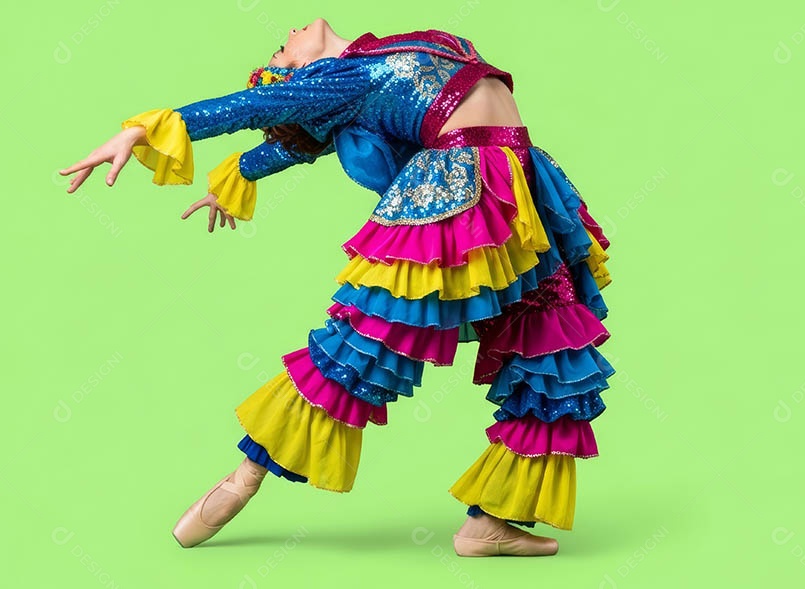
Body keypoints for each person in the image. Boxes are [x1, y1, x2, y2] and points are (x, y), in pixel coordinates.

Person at [59, 18, 614, 557]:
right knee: (365, 346)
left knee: (554, 355)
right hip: (453, 189)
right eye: (280, 51)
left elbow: (298, 141)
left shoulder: (369, 61)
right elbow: (247, 110)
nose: (289, 34)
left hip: (513, 187)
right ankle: (242, 478)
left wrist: (245, 173)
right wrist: (142, 128)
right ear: (302, 70)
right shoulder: (339, 79)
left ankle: (492, 524)